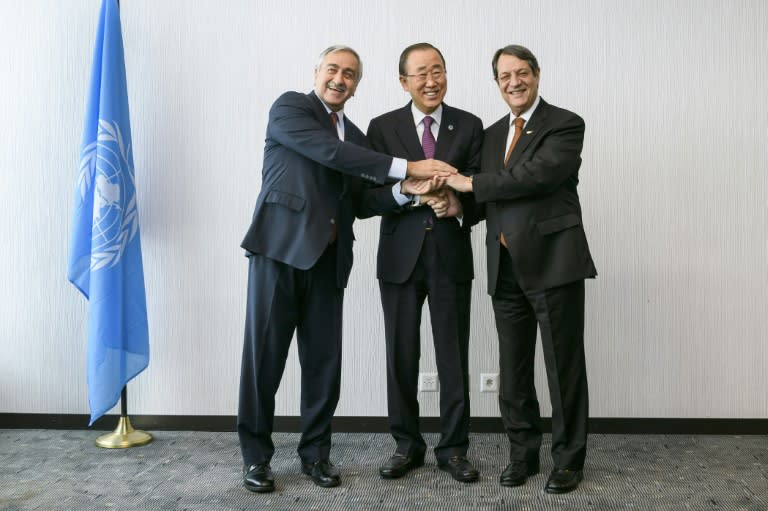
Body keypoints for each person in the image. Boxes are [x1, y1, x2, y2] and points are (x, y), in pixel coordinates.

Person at [237, 45, 456, 494]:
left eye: (351, 74)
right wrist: (406, 166)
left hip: (329, 263)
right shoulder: (291, 108)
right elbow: (328, 153)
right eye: (333, 69)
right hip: (279, 252)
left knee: (323, 366)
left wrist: (407, 191)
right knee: (264, 361)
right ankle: (256, 458)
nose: (340, 78)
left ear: (358, 84)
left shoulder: (355, 135)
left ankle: (316, 456)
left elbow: (359, 201)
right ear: (316, 71)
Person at [446, 44, 597, 494]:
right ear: (497, 83)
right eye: (505, 76)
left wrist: (469, 183)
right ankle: (522, 454)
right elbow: (485, 198)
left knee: (562, 366)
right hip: (505, 264)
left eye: (522, 72)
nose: (514, 82)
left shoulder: (565, 124)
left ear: (536, 74)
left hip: (554, 261)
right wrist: (455, 203)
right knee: (513, 369)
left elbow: (536, 176)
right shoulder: (491, 135)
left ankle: (568, 460)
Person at [359, 43, 483, 483]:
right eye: (421, 74)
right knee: (400, 356)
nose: (432, 81)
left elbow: (483, 193)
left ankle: (454, 449)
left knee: (453, 357)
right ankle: (406, 445)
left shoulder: (469, 125)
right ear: (403, 82)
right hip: (399, 260)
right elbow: (364, 198)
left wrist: (458, 205)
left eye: (438, 71)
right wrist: (405, 192)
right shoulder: (381, 128)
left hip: (450, 257)